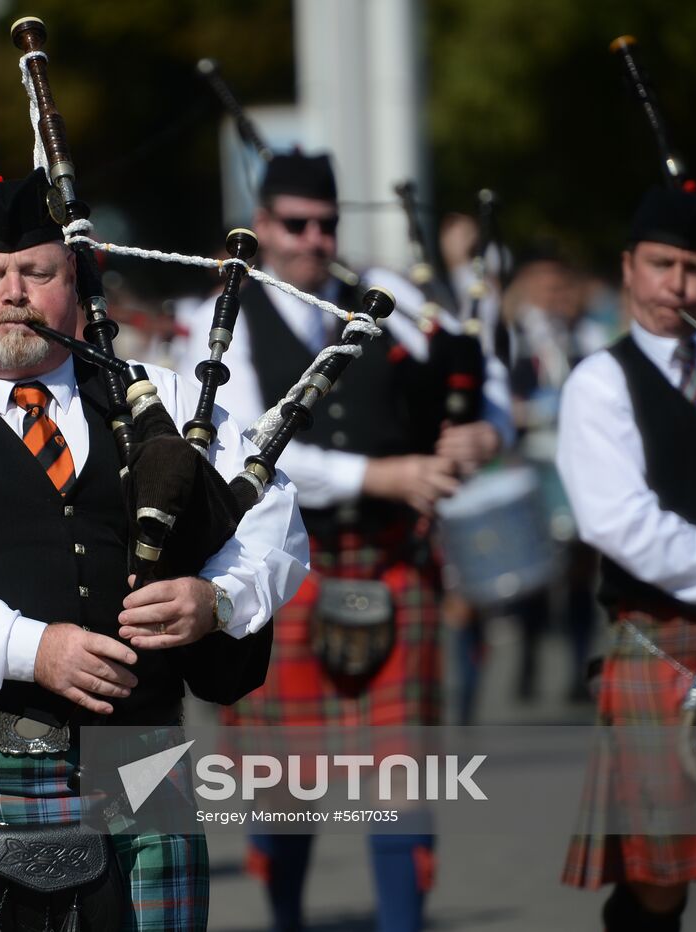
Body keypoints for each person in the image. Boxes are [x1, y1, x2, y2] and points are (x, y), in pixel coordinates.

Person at [0, 169, 309, 931]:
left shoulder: (165, 398)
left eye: (37, 272)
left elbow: (269, 516)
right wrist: (30, 648)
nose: (13, 293)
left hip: (140, 756)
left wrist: (217, 600)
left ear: (75, 282)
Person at [180, 151, 508, 932]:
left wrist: (481, 435)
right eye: (296, 223)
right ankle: (286, 916)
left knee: (400, 777)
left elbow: (483, 378)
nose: (315, 239)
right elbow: (253, 445)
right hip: (284, 566)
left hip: (394, 561)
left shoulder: (387, 300)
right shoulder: (220, 317)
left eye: (327, 223)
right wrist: (384, 475)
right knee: (281, 785)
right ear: (262, 227)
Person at [558, 186, 696, 931]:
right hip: (664, 641)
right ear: (629, 268)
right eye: (662, 264)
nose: (678, 286)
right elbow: (621, 523)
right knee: (662, 875)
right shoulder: (602, 381)